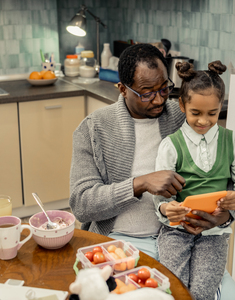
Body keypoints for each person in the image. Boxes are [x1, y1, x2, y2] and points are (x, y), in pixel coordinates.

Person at [69, 43, 187, 259]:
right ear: (123, 89)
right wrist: (139, 184)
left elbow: (220, 171)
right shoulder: (93, 128)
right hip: (117, 241)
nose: (160, 100)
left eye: (164, 88)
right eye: (147, 94)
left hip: (178, 239)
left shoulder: (182, 118)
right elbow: (81, 204)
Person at [153, 61, 235, 300]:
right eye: (195, 113)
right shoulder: (171, 145)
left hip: (215, 233)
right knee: (174, 291)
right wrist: (168, 209)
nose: (204, 121)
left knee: (201, 293)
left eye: (212, 113)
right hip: (176, 231)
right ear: (182, 105)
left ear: (221, 105)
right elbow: (160, 197)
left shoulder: (234, 142)